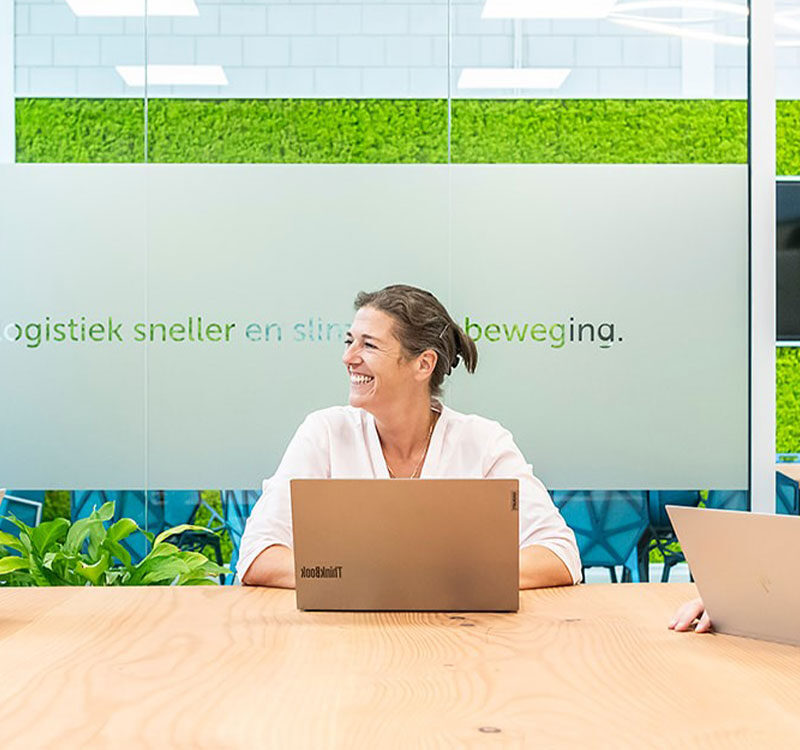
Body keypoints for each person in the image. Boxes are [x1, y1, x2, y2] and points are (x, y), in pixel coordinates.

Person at [238, 284, 581, 588]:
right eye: (349, 341)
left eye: (369, 345)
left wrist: (445, 579)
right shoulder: (325, 433)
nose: (348, 358)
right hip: (345, 634)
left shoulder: (483, 442)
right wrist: (361, 578)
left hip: (458, 634)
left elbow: (558, 554)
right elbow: (258, 555)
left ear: (423, 364)